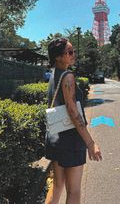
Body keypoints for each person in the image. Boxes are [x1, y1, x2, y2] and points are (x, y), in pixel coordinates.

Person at [45, 37, 102, 204]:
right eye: (69, 52)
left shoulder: (54, 74)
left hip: (56, 137)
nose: (73, 54)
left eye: (73, 51)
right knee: (74, 191)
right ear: (58, 57)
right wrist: (90, 143)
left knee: (57, 187)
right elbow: (72, 111)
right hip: (71, 139)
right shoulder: (68, 76)